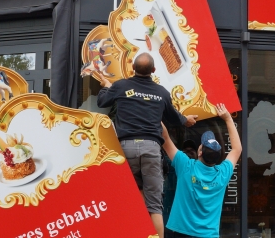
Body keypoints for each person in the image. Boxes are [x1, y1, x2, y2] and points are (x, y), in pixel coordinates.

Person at [97, 53, 197, 238]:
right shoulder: (161, 92)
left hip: (126, 148)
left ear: (132, 68)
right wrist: (187, 120)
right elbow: (175, 118)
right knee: (155, 206)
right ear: (153, 70)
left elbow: (102, 101)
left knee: (129, 199)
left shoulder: (121, 86)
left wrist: (107, 87)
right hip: (151, 149)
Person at [160, 103, 241, 238]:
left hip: (180, 233)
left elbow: (165, 137)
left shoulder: (185, 165)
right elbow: (237, 149)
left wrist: (154, 109)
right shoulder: (222, 173)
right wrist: (228, 119)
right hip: (208, 235)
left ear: (200, 152)